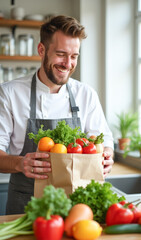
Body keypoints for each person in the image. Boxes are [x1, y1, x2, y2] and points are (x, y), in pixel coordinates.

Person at [0, 15, 114, 215]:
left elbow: (104, 142)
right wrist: (20, 163)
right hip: (25, 205)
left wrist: (106, 157)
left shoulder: (86, 94)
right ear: (41, 50)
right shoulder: (9, 93)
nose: (68, 64)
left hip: (76, 206)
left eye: (74, 56)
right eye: (61, 54)